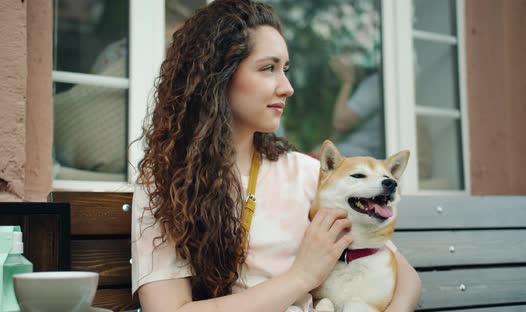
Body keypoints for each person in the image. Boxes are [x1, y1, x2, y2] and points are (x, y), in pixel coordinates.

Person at [131, 1, 421, 311]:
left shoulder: (307, 174)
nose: (288, 88)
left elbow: (405, 278)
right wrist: (301, 276)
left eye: (286, 69)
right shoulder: (165, 186)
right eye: (268, 68)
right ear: (218, 76)